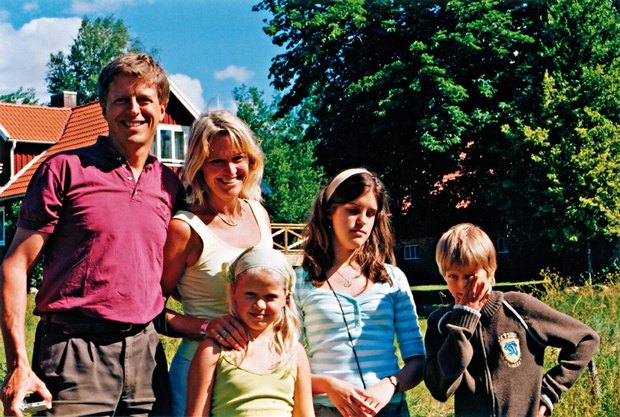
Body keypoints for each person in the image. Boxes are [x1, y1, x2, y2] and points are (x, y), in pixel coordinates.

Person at [0, 52, 185, 416]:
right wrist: (18, 364)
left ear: (162, 108)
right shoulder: (65, 170)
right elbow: (15, 266)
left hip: (146, 353)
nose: (133, 110)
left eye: (144, 100)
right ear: (104, 108)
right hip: (74, 352)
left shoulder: (169, 184)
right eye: (121, 100)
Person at [160, 109, 273, 416]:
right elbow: (151, 312)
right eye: (217, 161)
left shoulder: (259, 214)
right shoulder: (185, 228)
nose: (231, 170)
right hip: (200, 375)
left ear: (251, 161)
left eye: (238, 158)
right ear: (199, 167)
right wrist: (205, 327)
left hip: (257, 374)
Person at [425, 222, 600, 417]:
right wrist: (463, 322)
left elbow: (585, 339)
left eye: (469, 276)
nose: (461, 286)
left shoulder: (518, 307)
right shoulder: (441, 322)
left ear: (489, 271)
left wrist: (548, 393)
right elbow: (440, 389)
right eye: (452, 276)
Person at [295, 168, 425, 417]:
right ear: (329, 212)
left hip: (390, 409)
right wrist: (330, 386)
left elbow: (417, 361)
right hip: (326, 410)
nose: (362, 220)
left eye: (371, 213)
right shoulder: (299, 280)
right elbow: (286, 362)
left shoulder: (393, 279)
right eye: (352, 210)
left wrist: (389, 386)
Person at [185, 246, 314, 417]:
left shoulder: (294, 352)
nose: (260, 305)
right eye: (250, 294)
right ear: (234, 291)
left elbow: (305, 413)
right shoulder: (213, 351)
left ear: (286, 298)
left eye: (270, 297)